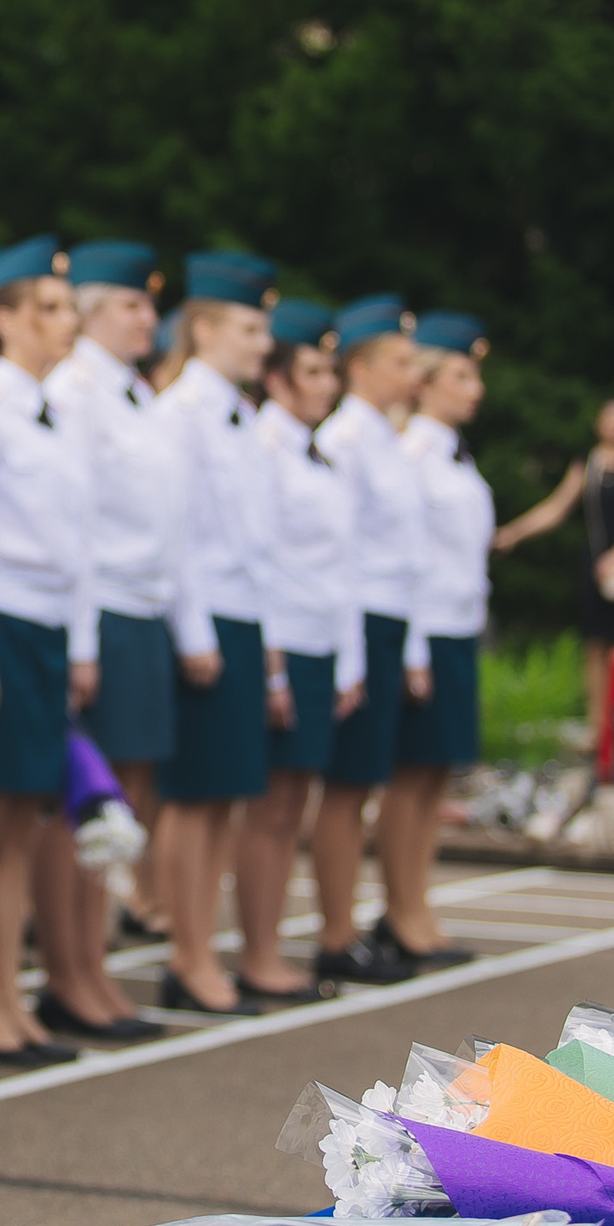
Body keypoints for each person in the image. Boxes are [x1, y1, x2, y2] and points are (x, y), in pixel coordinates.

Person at [0, 237, 91, 1065]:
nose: (68, 322)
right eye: (50, 308)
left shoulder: (54, 409)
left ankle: (8, 995)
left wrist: (78, 642)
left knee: (19, 821)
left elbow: (75, 541)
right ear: (4, 319)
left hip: (42, 627)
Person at [34, 240, 180, 1035]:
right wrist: (86, 640)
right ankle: (71, 971)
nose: (146, 317)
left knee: (125, 795)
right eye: (131, 303)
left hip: (140, 607)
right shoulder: (77, 389)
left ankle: (94, 964)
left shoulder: (135, 391)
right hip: (99, 611)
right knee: (88, 802)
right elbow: (77, 525)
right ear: (91, 311)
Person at [155, 251, 279, 1015]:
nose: (262, 343)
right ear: (202, 329)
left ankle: (203, 946)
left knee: (224, 796)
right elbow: (179, 534)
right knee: (194, 797)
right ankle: (187, 951)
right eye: (248, 328)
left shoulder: (245, 415)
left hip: (242, 616)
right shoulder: (183, 412)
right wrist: (196, 633)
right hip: (203, 620)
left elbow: (256, 540)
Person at [236, 299, 362, 1002]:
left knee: (293, 805)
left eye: (329, 371)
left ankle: (271, 946)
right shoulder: (264, 447)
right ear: (277, 379)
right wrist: (275, 668)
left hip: (319, 643)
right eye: (312, 371)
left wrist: (347, 660)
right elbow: (266, 563)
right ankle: (257, 952)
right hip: (281, 644)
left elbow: (339, 567)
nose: (327, 385)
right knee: (269, 807)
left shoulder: (320, 452)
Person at [312, 295, 429, 986]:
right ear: (359, 366)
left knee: (365, 782)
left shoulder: (386, 437)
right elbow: (344, 555)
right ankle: (336, 931)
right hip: (358, 622)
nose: (413, 374)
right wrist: (354, 652)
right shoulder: (347, 439)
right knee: (347, 784)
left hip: (389, 623)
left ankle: (350, 925)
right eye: (400, 361)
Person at [384, 311, 494, 969]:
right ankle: (400, 910)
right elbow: (411, 560)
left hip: (458, 626)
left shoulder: (454, 452)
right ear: (424, 383)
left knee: (436, 776)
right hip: (425, 630)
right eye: (460, 376)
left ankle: (418, 902)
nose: (474, 389)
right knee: (409, 775)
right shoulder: (414, 454)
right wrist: (415, 649)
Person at [491, 398, 614, 735]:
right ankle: (597, 727)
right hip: (596, 563)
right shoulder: (588, 463)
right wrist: (513, 533)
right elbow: (556, 508)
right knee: (596, 644)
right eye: (611, 417)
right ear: (598, 423)